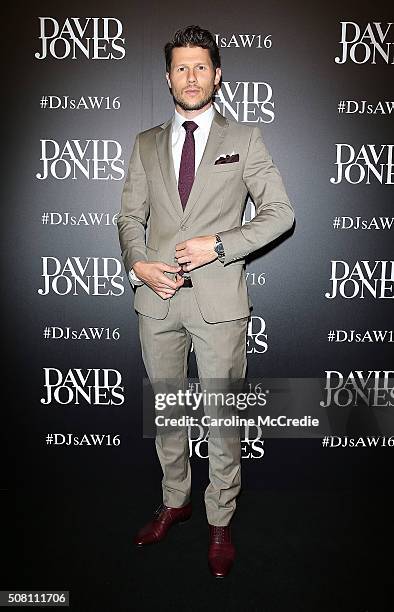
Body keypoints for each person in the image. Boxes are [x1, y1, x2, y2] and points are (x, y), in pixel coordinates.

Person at [117, 24, 294, 578]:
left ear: (217, 75)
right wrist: (139, 264)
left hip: (219, 303)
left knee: (221, 418)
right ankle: (176, 502)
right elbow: (130, 218)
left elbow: (280, 213)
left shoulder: (246, 139)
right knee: (168, 412)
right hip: (158, 301)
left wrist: (220, 243)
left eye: (201, 66)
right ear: (168, 77)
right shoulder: (145, 142)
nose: (190, 76)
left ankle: (220, 518)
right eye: (180, 67)